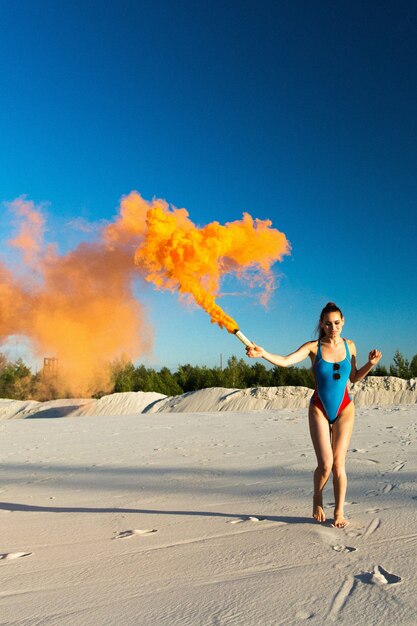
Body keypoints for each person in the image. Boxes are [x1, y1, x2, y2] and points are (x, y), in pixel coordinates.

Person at [246, 302, 382, 528]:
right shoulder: (313, 347)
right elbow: (286, 361)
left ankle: (339, 512)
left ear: (343, 322)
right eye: (328, 324)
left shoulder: (351, 346)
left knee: (339, 464)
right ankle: (317, 497)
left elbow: (356, 377)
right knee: (326, 464)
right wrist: (263, 354)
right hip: (319, 407)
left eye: (337, 323)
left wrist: (371, 363)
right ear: (322, 324)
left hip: (344, 408)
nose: (333, 327)